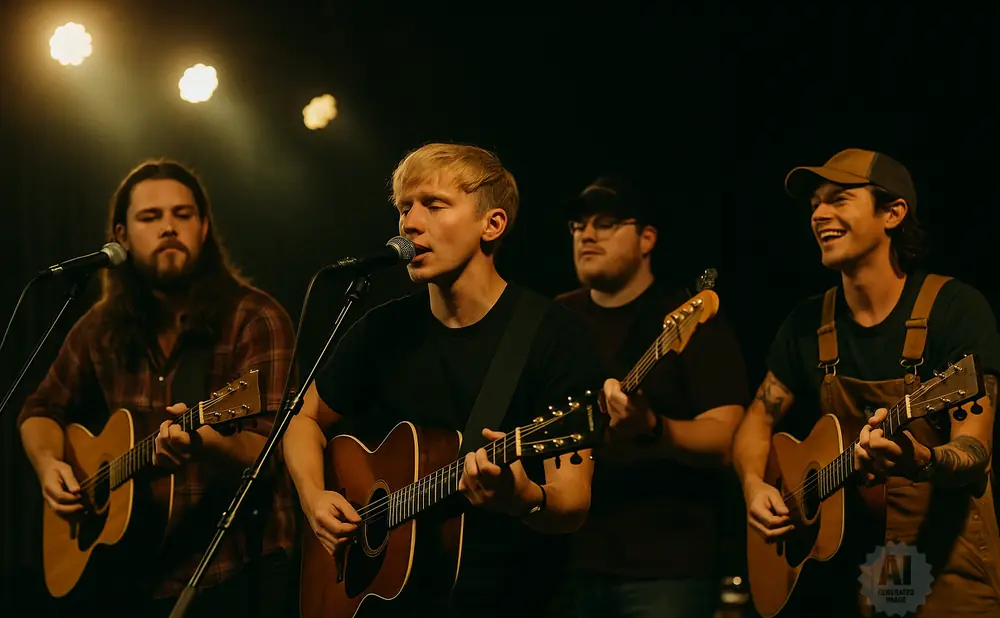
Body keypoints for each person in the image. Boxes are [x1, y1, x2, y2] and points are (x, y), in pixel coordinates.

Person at [283, 142, 604, 618]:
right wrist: (314, 497)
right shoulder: (383, 328)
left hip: (511, 600)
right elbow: (302, 417)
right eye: (404, 208)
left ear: (491, 224)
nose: (411, 223)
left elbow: (572, 501)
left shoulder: (554, 334)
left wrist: (522, 498)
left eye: (434, 205)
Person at [18, 159, 299, 617]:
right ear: (121, 237)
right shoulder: (100, 328)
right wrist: (51, 465)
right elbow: (39, 408)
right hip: (128, 577)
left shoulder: (254, 318)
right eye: (151, 217)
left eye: (182, 215)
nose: (169, 227)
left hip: (233, 568)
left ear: (204, 227)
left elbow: (274, 447)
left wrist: (203, 440)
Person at [732, 148, 1000, 617]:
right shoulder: (807, 324)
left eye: (839, 199)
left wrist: (921, 459)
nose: (819, 213)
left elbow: (975, 453)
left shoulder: (954, 309)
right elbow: (756, 421)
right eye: (815, 202)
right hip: (853, 565)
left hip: (943, 555)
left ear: (893, 213)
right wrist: (755, 485)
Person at [555, 177, 749, 618]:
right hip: (567, 562)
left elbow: (727, 439)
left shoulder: (687, 317)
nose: (586, 234)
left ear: (647, 238)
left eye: (605, 223)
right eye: (578, 225)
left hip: (665, 570)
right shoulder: (559, 318)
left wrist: (654, 428)